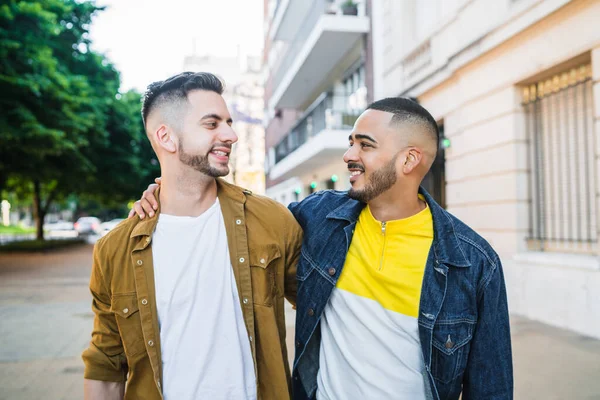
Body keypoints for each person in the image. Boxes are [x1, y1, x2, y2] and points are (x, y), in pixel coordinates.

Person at [133, 97, 513, 400]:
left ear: (409, 159)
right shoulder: (319, 217)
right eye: (351, 142)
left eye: (365, 145)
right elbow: (242, 217)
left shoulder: (473, 263)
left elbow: (491, 388)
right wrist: (165, 192)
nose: (349, 155)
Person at [82, 72, 302, 400]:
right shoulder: (114, 250)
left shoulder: (271, 221)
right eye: (212, 124)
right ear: (166, 137)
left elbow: (324, 310)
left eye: (228, 122)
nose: (231, 134)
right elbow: (106, 364)